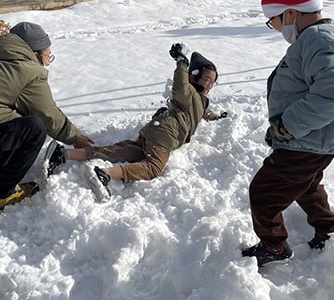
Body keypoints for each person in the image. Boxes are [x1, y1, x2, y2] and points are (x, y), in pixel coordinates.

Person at [45, 43, 227, 201]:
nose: (210, 85)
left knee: (115, 152)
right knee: (154, 168)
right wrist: (182, 63)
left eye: (214, 82)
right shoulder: (189, 93)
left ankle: (63, 154)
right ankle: (105, 175)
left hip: (153, 132)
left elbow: (204, 113)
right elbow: (180, 86)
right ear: (193, 76)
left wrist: (217, 117)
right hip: (165, 136)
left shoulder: (200, 102)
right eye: (207, 80)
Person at [242, 0, 334, 267]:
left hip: (305, 142)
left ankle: (275, 248)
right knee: (307, 187)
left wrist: (289, 126)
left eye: (275, 21)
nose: (276, 28)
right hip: (313, 141)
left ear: (291, 12)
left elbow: (332, 92)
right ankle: (327, 227)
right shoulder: (315, 39)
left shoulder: (318, 40)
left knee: (264, 193)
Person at [0, 20, 94, 209]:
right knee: (34, 128)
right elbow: (46, 112)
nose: (47, 62)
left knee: (17, 121)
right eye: (47, 56)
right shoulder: (29, 70)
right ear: (34, 53)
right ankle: (3, 192)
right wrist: (74, 136)